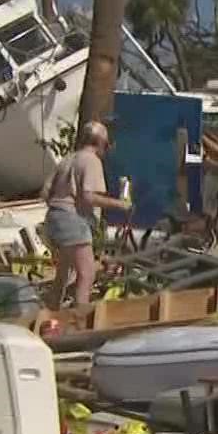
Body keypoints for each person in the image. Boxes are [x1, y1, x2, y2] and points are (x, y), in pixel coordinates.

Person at [42, 120, 130, 307]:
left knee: (63, 275)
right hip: (73, 221)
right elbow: (88, 196)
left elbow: (45, 192)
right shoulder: (91, 160)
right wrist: (120, 205)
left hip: (54, 218)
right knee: (86, 273)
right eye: (106, 145)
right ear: (100, 142)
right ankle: (80, 321)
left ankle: (51, 315)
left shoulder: (68, 159)